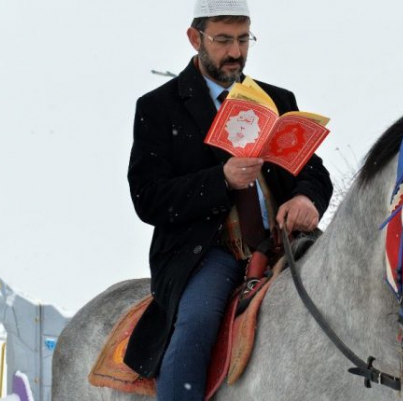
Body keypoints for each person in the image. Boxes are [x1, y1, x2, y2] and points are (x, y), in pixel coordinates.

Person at [123, 0, 333, 400]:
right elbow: (147, 197)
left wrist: (307, 198)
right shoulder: (159, 107)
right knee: (197, 324)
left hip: (287, 243)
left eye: (243, 39)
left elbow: (314, 172)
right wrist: (220, 180)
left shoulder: (277, 100)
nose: (235, 52)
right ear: (194, 37)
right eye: (222, 40)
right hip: (208, 253)